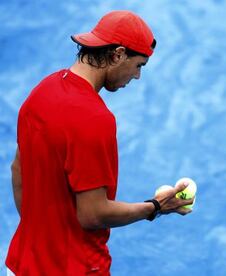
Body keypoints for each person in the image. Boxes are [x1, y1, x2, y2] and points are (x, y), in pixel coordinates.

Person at [5, 10, 193, 275]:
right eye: (139, 65)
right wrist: (156, 207)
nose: (137, 76)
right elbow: (93, 214)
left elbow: (18, 171)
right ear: (117, 54)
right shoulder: (94, 119)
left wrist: (44, 236)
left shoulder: (41, 92)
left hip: (26, 262)